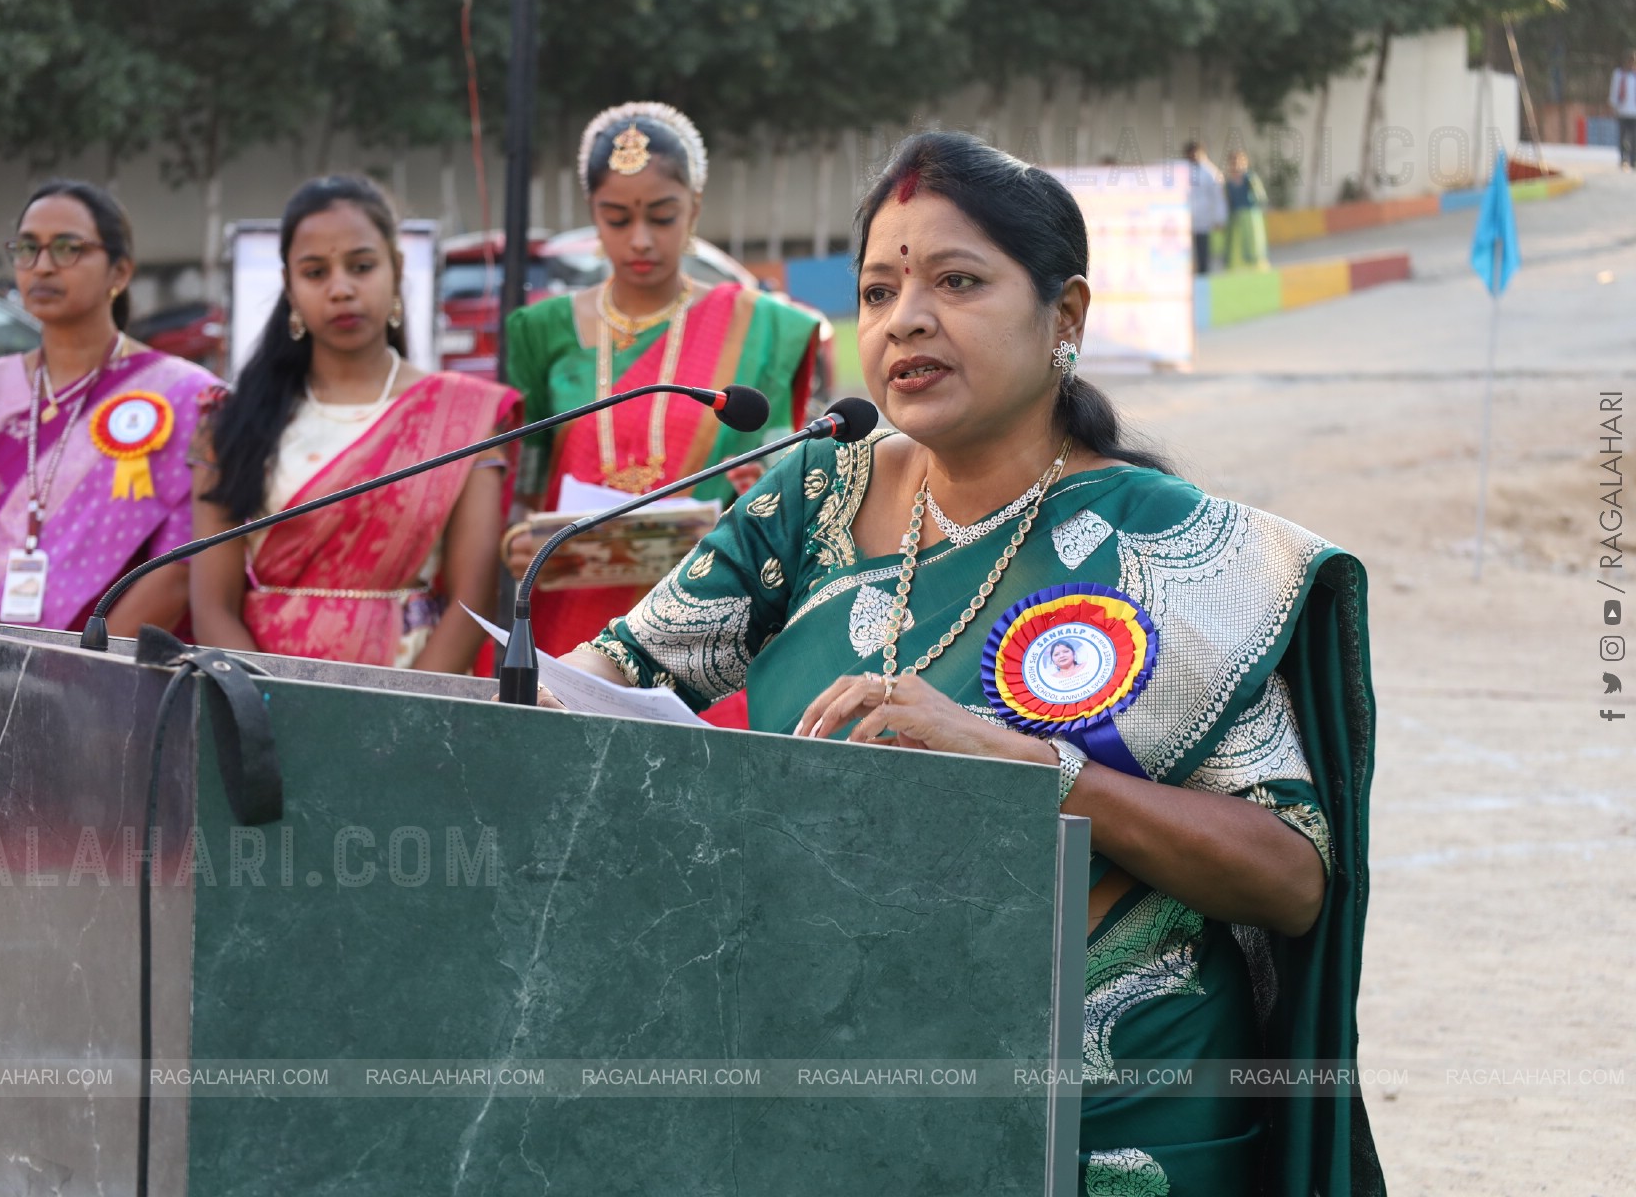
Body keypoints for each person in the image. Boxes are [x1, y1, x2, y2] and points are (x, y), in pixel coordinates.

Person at [557, 132, 1382, 1194]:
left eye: (956, 281)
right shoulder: (813, 501)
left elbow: (1292, 876)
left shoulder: (1175, 549)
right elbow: (602, 679)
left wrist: (1032, 767)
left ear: (1066, 317)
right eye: (878, 288)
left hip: (1116, 1123)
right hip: (843, 1094)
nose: (906, 318)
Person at [501, 101, 822, 660]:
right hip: (565, 608)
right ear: (593, 212)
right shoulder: (541, 329)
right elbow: (522, 487)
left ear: (694, 208)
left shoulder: (762, 327)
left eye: (663, 216)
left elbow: (780, 478)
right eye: (618, 219)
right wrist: (515, 541)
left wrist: (749, 500)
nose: (641, 240)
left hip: (701, 609)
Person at [189, 176, 517, 670]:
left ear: (397, 269)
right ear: (290, 288)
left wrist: (403, 723)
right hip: (260, 701)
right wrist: (264, 706)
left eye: (361, 267)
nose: (340, 288)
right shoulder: (233, 423)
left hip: (415, 697)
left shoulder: (462, 416)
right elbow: (212, 606)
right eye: (316, 272)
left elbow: (473, 602)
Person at [0, 181, 220, 635]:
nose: (42, 266)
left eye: (67, 248)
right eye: (28, 248)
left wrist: (80, 678)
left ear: (119, 273)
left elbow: (178, 569)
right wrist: (4, 663)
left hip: (126, 675)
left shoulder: (189, 396)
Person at [1182, 140, 1227, 276]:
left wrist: (1219, 218)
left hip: (1203, 220)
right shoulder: (1182, 170)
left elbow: (1218, 198)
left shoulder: (1210, 172)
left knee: (1203, 253)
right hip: (1185, 220)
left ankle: (1203, 279)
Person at [1221, 149, 1270, 272]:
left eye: (1239, 161)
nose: (1236, 164)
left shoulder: (1250, 178)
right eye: (1233, 162)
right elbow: (1228, 201)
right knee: (1237, 244)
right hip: (1236, 218)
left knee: (1253, 243)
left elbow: (1261, 196)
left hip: (1250, 216)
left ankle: (1256, 266)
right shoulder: (1229, 182)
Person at [1611, 49, 1636, 172]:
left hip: (1634, 113)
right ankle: (1623, 159)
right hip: (1622, 111)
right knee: (1622, 137)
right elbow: (1614, 92)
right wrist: (1614, 106)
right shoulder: (1619, 74)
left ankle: (1633, 160)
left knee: (1634, 137)